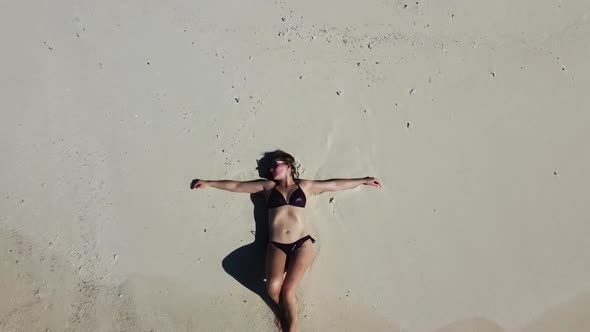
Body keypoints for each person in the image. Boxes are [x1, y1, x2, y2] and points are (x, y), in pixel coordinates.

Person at [190, 150, 381, 332]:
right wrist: (209, 182)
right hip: (276, 244)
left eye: (276, 165)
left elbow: (333, 185)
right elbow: (238, 186)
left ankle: (292, 324)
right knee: (273, 287)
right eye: (271, 167)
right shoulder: (268, 187)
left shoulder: (304, 186)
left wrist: (363, 181)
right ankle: (283, 314)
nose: (271, 170)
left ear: (289, 165)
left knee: (288, 290)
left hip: (301, 244)